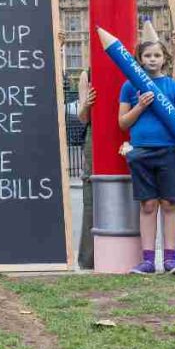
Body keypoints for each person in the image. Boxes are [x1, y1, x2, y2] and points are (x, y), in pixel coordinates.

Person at [118, 36, 175, 275]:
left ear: (164, 59)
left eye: (157, 55)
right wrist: (140, 106)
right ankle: (147, 259)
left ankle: (170, 258)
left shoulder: (173, 86)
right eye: (147, 55)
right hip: (141, 153)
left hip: (169, 151)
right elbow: (122, 123)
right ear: (139, 59)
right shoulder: (129, 86)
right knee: (148, 205)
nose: (152, 60)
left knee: (170, 203)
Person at [77, 70, 95, 270]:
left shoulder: (132, 64)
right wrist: (87, 104)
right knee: (91, 195)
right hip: (95, 135)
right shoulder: (87, 74)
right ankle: (88, 260)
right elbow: (82, 117)